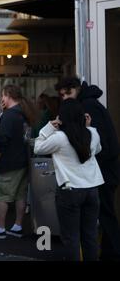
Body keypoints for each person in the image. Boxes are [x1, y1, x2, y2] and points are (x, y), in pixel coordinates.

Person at [55, 77, 120, 260]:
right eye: (62, 95)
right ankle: (108, 252)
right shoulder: (89, 104)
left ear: (77, 89)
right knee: (101, 219)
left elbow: (98, 144)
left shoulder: (88, 106)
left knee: (105, 217)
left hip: (103, 173)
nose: (66, 98)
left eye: (68, 93)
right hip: (104, 172)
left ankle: (113, 253)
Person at [35, 99, 104, 261]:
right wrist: (88, 127)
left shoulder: (59, 138)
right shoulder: (93, 133)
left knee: (71, 237)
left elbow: (38, 147)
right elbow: (98, 149)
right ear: (82, 116)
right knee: (90, 236)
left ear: (62, 117)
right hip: (92, 190)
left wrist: (48, 128)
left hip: (70, 191)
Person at [0, 85, 36, 239]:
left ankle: (0, 229)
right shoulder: (23, 114)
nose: (1, 99)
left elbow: (2, 139)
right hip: (22, 161)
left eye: (3, 95)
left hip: (8, 164)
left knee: (1, 195)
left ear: (8, 95)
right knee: (20, 195)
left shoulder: (8, 116)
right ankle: (17, 226)